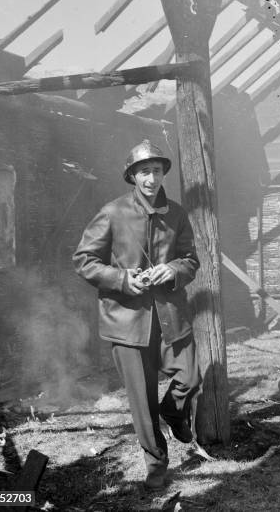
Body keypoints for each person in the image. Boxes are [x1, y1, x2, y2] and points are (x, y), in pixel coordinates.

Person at [73, 139, 200, 490]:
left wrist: (173, 269)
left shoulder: (176, 212)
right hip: (127, 322)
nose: (151, 178)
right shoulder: (112, 212)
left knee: (189, 377)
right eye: (144, 171)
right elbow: (84, 260)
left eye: (157, 171)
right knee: (142, 402)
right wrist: (122, 278)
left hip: (171, 315)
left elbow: (191, 260)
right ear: (132, 176)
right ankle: (156, 464)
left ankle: (174, 411)